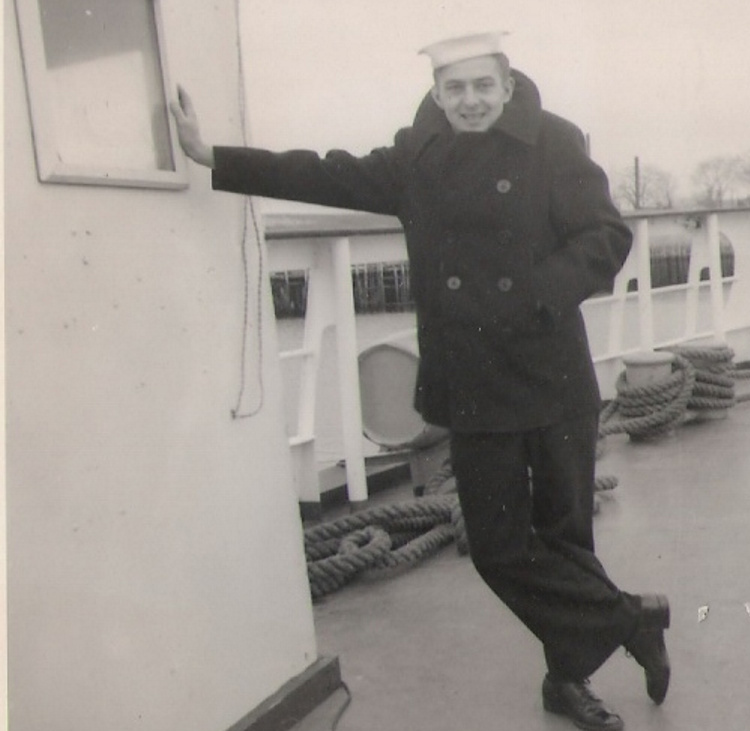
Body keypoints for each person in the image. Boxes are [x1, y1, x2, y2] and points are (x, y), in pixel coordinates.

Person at [170, 31, 671, 731]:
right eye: (454, 89)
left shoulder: (555, 141)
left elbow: (605, 235)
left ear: (505, 84)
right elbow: (323, 172)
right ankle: (630, 618)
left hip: (550, 369)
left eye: (482, 87)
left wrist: (537, 292)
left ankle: (568, 679)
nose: (470, 102)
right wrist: (213, 156)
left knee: (565, 538)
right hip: (472, 383)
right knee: (498, 548)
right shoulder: (418, 157)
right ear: (437, 93)